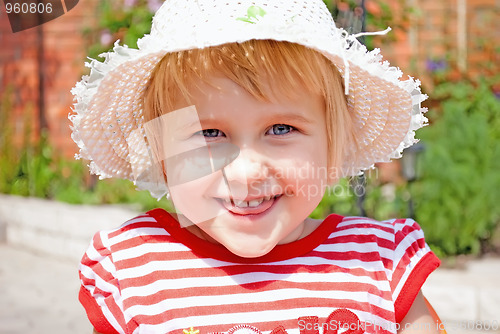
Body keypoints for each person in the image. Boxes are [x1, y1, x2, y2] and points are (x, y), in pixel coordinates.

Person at [70, 1, 442, 333]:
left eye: (281, 129)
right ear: (161, 154)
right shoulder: (137, 270)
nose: (246, 172)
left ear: (333, 146)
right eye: (209, 133)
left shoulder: (378, 262)